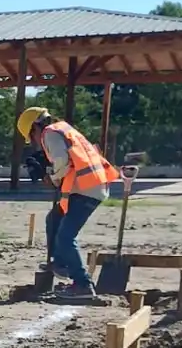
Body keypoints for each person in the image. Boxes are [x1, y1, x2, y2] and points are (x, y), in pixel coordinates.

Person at [17, 106, 120, 298]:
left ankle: (82, 284)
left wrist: (52, 178)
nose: (35, 142)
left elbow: (62, 161)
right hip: (87, 186)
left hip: (86, 188)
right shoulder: (63, 129)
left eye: (32, 137)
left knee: (65, 237)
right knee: (53, 219)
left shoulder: (50, 133)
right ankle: (61, 263)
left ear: (35, 128)